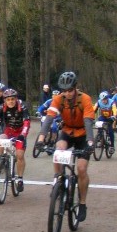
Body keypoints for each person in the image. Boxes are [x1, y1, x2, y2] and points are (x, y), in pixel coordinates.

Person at [35, 71, 95, 221]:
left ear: (75, 87)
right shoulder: (58, 99)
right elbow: (49, 119)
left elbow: (88, 122)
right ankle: (58, 180)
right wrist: (41, 139)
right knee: (58, 150)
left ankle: (82, 203)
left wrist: (90, 142)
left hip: (83, 134)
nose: (67, 93)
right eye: (64, 90)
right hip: (67, 132)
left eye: (70, 90)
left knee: (81, 169)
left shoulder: (85, 99)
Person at [0, 88, 30, 191]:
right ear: (5, 100)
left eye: (12, 99)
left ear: (16, 99)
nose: (10, 101)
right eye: (8, 100)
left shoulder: (22, 107)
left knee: (20, 155)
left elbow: (26, 123)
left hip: (20, 132)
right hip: (8, 130)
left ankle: (20, 179)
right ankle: (2, 159)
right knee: (0, 139)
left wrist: (23, 135)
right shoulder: (1, 107)